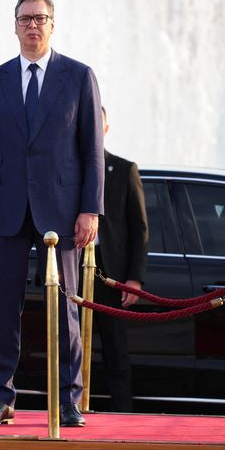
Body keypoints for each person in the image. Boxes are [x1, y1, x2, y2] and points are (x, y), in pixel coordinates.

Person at [0, 0, 104, 427]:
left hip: (61, 211)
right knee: (3, 308)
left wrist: (90, 209)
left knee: (64, 309)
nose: (32, 25)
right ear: (14, 25)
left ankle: (67, 400)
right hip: (5, 209)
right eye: (25, 19)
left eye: (40, 19)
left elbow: (92, 150)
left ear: (52, 24)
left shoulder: (79, 76)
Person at [91, 106, 148, 412]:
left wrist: (135, 278)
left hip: (112, 274)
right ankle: (70, 410)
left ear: (106, 129)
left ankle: (122, 415)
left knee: (115, 350)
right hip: (73, 269)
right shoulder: (65, 168)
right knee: (70, 348)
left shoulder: (124, 170)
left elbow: (139, 229)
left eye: (97, 124)